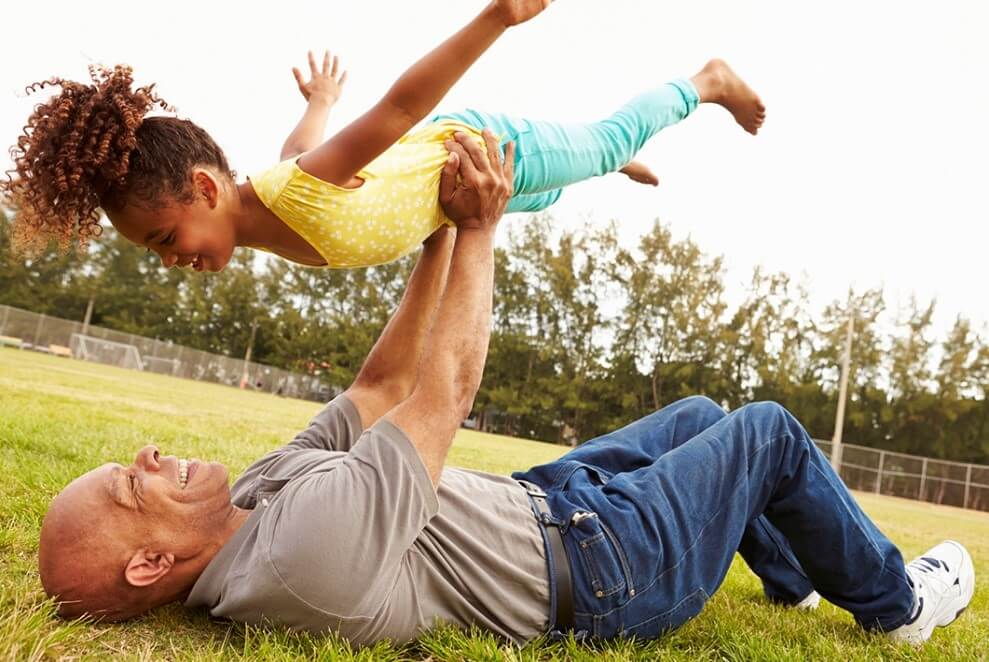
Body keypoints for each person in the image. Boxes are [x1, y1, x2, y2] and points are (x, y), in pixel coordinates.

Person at [38, 132, 972, 649]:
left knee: (694, 421)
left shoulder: (247, 502)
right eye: (133, 485)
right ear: (152, 565)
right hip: (607, 572)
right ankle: (899, 608)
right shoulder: (290, 559)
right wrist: (481, 229)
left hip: (548, 503)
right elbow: (439, 394)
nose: (147, 458)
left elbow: (381, 382)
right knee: (764, 432)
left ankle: (796, 585)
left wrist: (433, 230)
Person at [3, 0, 765, 272]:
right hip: (447, 199)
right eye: (156, 252)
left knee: (593, 146)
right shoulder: (283, 185)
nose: (172, 259)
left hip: (478, 147)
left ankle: (703, 83)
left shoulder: (297, 191)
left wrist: (494, 17)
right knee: (540, 198)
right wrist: (324, 99)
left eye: (166, 239)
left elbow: (400, 109)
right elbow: (302, 141)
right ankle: (602, 163)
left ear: (203, 188)